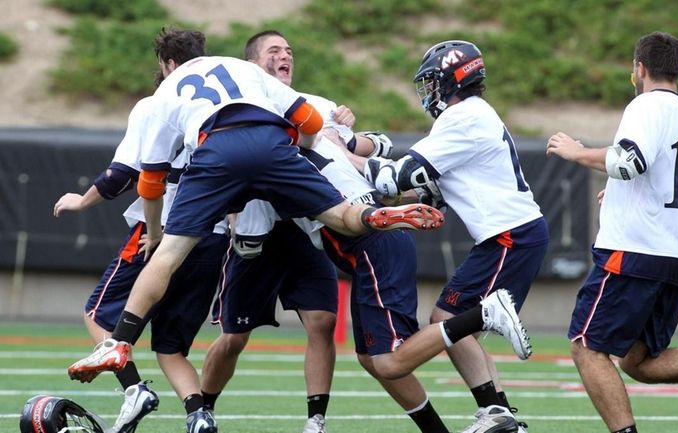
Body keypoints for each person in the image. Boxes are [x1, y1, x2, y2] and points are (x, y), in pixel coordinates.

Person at [66, 24, 444, 404]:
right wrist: (299, 152)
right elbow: (310, 122)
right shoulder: (242, 69)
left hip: (217, 148)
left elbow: (149, 181)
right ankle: (376, 217)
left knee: (164, 258)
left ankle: (119, 343)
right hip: (272, 144)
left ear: (168, 64)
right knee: (344, 213)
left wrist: (155, 230)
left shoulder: (164, 94)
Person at [200, 30, 449, 433]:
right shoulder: (234, 111)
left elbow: (374, 146)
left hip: (316, 223)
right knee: (234, 336)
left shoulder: (312, 105)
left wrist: (353, 137)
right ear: (250, 65)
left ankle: (316, 420)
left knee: (321, 324)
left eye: (289, 51)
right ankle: (203, 409)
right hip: (259, 229)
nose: (285, 56)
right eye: (274, 51)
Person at [545, 31, 678, 433]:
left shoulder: (645, 105)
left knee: (586, 348)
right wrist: (626, 191)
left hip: (633, 252)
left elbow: (630, 161)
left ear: (639, 68)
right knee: (638, 362)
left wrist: (575, 151)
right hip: (677, 258)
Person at [360, 40, 549, 432]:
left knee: (452, 320)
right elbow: (428, 189)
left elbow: (393, 177)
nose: (428, 93)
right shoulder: (476, 115)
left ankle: (497, 409)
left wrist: (344, 150)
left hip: (509, 234)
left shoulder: (462, 117)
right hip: (511, 234)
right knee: (448, 320)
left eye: (431, 82)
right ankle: (498, 414)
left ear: (451, 78)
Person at [54, 28, 231, 433]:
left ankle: (134, 390)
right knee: (171, 348)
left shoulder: (157, 104)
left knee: (97, 315)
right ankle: (198, 417)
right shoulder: (228, 106)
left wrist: (81, 201)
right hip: (214, 236)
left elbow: (123, 174)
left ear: (168, 65)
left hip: (165, 228)